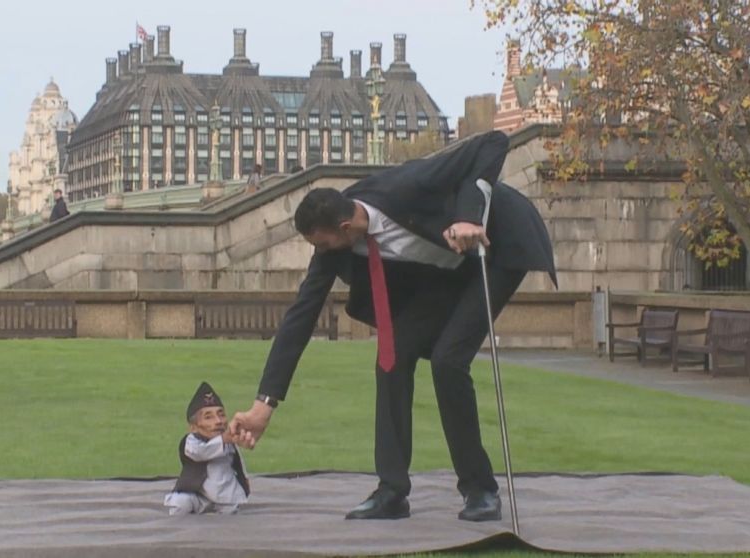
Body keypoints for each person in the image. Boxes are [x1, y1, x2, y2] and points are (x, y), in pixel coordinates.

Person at [228, 130, 556, 522]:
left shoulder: (406, 186)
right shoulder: (334, 243)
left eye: (323, 245)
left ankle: (480, 490)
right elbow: (301, 316)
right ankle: (392, 492)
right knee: (392, 355)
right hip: (447, 271)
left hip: (498, 246)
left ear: (346, 226)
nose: (321, 254)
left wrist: (469, 217)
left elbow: (493, 143)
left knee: (449, 361)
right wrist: (264, 405)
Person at [165, 381, 250, 515]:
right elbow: (200, 452)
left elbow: (238, 462)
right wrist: (223, 440)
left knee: (232, 512)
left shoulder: (229, 441)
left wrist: (245, 479)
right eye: (208, 417)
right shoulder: (192, 442)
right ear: (194, 427)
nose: (218, 421)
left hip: (224, 494)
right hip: (197, 494)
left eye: (221, 415)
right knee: (181, 503)